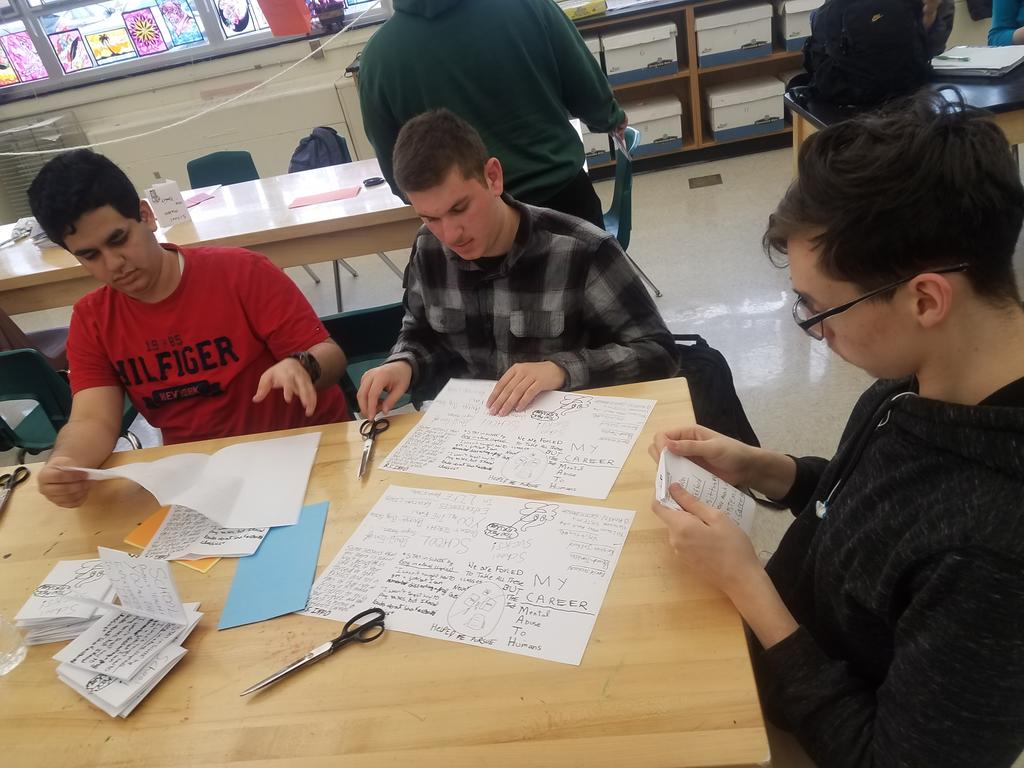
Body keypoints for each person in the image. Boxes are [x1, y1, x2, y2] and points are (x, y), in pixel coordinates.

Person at [650, 90, 1024, 767]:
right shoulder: (929, 376)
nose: (815, 332)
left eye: (820, 309)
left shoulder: (992, 557)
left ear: (926, 298)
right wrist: (770, 469)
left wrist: (748, 587)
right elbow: (879, 512)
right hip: (781, 652)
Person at [28, 149, 351, 508]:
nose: (114, 263)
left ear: (147, 216)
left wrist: (302, 365)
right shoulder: (93, 319)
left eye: (118, 239)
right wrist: (67, 463)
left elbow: (331, 357)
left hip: (305, 454)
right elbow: (92, 420)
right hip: (204, 481)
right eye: (90, 256)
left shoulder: (242, 273)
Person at [356, 109, 677, 419]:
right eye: (430, 217)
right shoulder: (428, 246)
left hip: (566, 432)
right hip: (470, 432)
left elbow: (659, 353)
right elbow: (420, 331)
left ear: (493, 177)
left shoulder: (583, 251)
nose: (450, 234)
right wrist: (404, 363)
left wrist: (560, 369)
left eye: (460, 208)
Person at [357, 0, 626, 230]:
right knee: (591, 288)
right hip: (562, 202)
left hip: (467, 227)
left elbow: (397, 171)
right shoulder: (526, 6)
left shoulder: (378, 57)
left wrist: (439, 209)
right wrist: (610, 117)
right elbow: (586, 87)